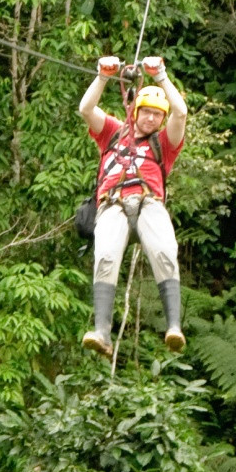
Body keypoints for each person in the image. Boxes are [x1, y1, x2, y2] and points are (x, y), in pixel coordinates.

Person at [79, 54, 189, 355]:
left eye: (157, 114)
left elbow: (180, 113)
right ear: (136, 111)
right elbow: (86, 109)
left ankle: (174, 327)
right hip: (112, 203)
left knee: (165, 251)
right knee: (105, 257)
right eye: (147, 112)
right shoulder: (113, 132)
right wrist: (102, 76)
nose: (152, 118)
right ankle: (102, 331)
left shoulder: (163, 143)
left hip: (149, 202)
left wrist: (160, 76)